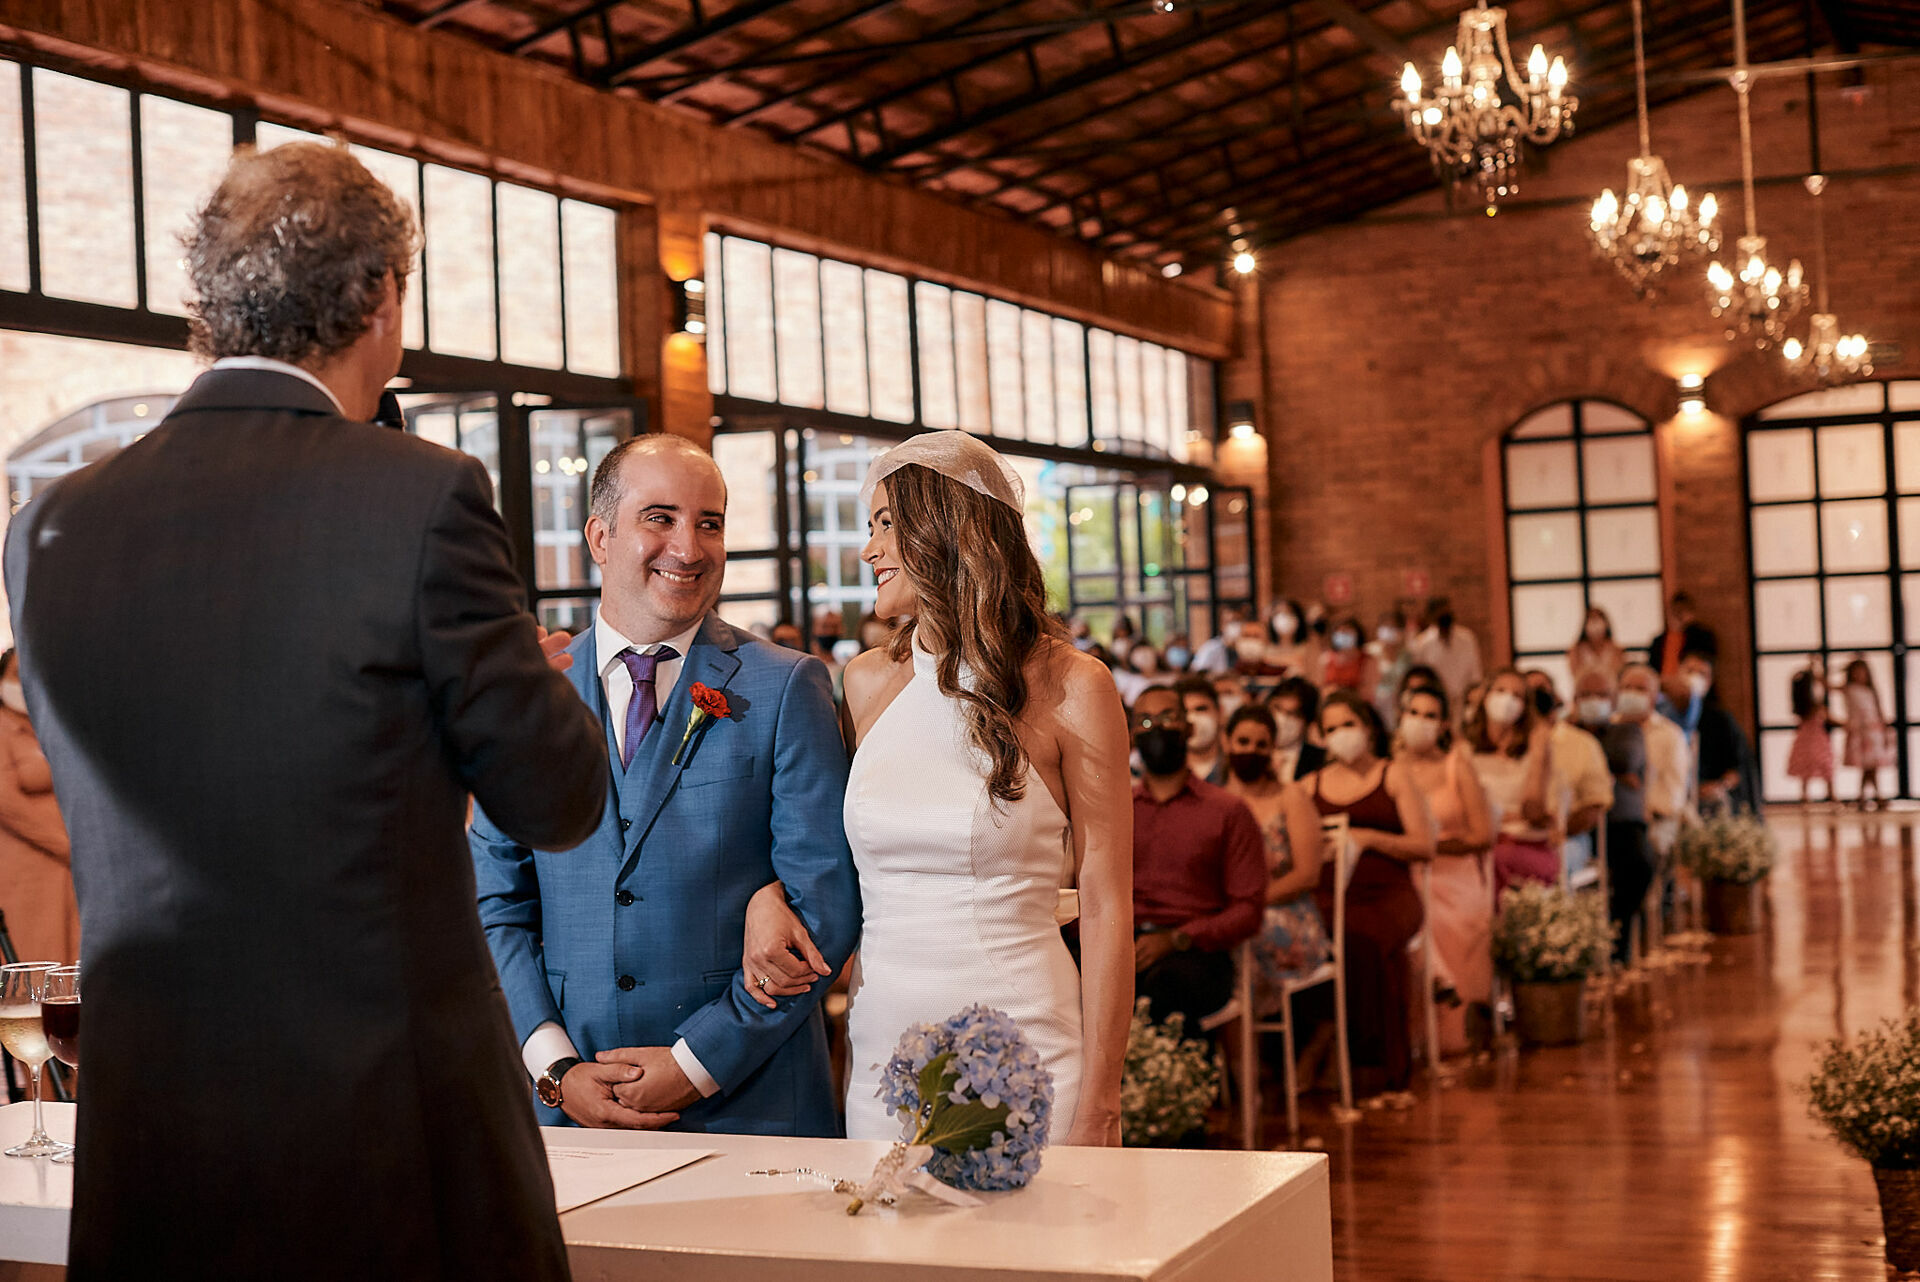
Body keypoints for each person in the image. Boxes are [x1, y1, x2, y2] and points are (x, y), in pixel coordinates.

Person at [6, 142, 609, 1280]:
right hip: (387, 1139)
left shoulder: (48, 532)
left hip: (149, 1143)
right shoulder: (420, 496)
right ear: (380, 298)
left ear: (207, 309)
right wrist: (532, 675)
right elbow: (558, 797)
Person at [472, 434, 861, 1138]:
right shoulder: (529, 688)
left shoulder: (785, 686)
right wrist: (558, 1070)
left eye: (708, 523)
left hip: (748, 1106)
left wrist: (694, 1064)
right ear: (600, 535)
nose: (689, 547)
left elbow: (823, 905)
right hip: (570, 1115)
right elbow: (494, 901)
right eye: (660, 517)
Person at [756, 431, 1133, 1147]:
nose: (869, 551)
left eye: (886, 525)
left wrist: (1102, 1098)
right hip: (881, 1045)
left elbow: (1110, 902)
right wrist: (765, 896)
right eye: (869, 529)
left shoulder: (1072, 687)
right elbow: (824, 858)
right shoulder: (864, 682)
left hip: (1024, 1043)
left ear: (950, 528)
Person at [1304, 691, 1433, 1096]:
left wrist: (1370, 838)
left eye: (1348, 725)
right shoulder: (1309, 785)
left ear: (1367, 727)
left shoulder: (1392, 775)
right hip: (1330, 892)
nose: (1340, 735)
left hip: (1388, 892)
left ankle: (1355, 1055)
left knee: (1364, 938)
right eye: (1331, 729)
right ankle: (1320, 1041)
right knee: (1315, 933)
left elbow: (1423, 845)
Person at [1128, 685, 1267, 1034]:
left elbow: (1248, 910)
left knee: (1164, 991)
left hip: (1196, 950)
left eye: (1168, 718)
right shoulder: (1115, 810)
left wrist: (1178, 938)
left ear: (1188, 729)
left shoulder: (1227, 811)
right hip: (1124, 942)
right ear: (1131, 735)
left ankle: (1179, 1086)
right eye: (1145, 721)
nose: (1156, 728)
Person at [1392, 683, 1494, 1054]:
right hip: (1407, 875)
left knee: (1430, 912)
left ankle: (1449, 1009)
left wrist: (1430, 847)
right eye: (1413, 713)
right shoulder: (1390, 769)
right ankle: (1431, 992)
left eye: (1430, 715)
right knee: (1407, 906)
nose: (1419, 722)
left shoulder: (1456, 767)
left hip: (1455, 876)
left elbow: (1482, 835)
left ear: (1444, 724)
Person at [1218, 706, 1330, 1016]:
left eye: (1261, 744)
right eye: (1243, 742)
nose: (1250, 751)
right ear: (1227, 742)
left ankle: (1248, 1055)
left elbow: (1307, 874)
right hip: (1231, 913)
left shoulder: (1290, 797)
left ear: (1272, 750)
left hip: (1284, 913)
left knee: (1237, 938)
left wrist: (1247, 906)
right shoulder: (1215, 800)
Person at [0, 649, 77, 967]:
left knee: (68, 974)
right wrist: (67, 846)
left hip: (66, 872)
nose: (24, 685)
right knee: (32, 971)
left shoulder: (53, 727)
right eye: (17, 676)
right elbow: (8, 805)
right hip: (27, 872)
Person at [1573, 669, 1649, 961]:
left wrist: (1589, 760)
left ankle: (1617, 939)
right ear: (1575, 700)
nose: (1594, 702)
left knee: (1638, 866)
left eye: (1602, 695)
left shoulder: (1627, 731)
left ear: (1614, 700)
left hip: (1621, 822)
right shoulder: (1565, 736)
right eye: (1586, 696)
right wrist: (1616, 775)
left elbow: (1626, 757)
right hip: (1579, 823)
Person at [1466, 669, 1559, 896]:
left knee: (1495, 861)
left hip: (1524, 844)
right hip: (1477, 844)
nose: (1507, 699)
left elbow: (1535, 813)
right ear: (1486, 696)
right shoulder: (1465, 751)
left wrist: (1538, 756)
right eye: (1501, 691)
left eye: (1517, 696)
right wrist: (1505, 816)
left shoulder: (1535, 749)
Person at [1524, 669, 1614, 882]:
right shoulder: (1508, 747)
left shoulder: (1583, 744)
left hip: (1567, 839)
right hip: (1514, 838)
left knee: (1550, 864)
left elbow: (1595, 805)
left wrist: (1559, 831)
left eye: (1541, 693)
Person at [1667, 653, 1759, 815]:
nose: (1694, 678)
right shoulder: (1664, 715)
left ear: (1709, 682)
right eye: (1689, 671)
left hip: (1709, 793)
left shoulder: (1721, 719)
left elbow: (1737, 767)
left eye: (1702, 674)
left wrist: (1719, 785)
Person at [1408, 595, 1484, 710]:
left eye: (1447, 611)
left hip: (1463, 701)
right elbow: (1421, 677)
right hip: (1437, 702)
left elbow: (1475, 673)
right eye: (1440, 613)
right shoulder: (1422, 644)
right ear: (1432, 616)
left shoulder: (1467, 638)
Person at [1840, 656, 1895, 809]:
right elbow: (1827, 685)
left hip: (1873, 732)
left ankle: (1866, 796)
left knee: (1872, 767)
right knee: (1868, 767)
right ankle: (1870, 796)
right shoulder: (1849, 689)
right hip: (1861, 733)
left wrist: (1885, 731)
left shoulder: (1870, 691)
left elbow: (1879, 711)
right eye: (1856, 672)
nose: (1860, 676)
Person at [1787, 657, 1836, 805]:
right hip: (1815, 737)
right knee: (1821, 764)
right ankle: (1828, 795)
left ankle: (1808, 796)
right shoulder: (1813, 706)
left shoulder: (1807, 706)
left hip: (1810, 737)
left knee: (1812, 765)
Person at [1268, 676, 1327, 783]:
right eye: (1277, 708)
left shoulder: (1320, 760)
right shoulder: (1255, 751)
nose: (1282, 719)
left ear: (1308, 722)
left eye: (1293, 714)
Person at [1649, 591, 1717, 682]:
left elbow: (1705, 664)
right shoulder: (1659, 641)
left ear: (1691, 613)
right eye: (1675, 612)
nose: (1679, 616)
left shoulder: (1702, 637)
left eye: (1682, 611)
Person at [1177, 674, 1228, 785]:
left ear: (1220, 712)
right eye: (1185, 712)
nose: (1193, 718)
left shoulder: (1236, 770)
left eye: (1201, 709)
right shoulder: (1165, 776)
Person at [1318, 614, 1377, 694]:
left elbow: (1369, 690)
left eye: (1347, 631)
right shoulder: (1326, 658)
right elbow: (1320, 686)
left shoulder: (1368, 660)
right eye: (1340, 632)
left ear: (1357, 634)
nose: (1343, 635)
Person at [1263, 598, 1321, 678]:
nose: (1283, 617)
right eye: (1278, 613)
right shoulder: (1266, 652)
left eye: (1288, 612)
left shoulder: (1308, 650)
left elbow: (1317, 680)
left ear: (1298, 618)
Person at [1567, 606, 1627, 683]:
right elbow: (1576, 675)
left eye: (1598, 620)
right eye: (1591, 620)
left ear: (1606, 624)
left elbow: (1618, 674)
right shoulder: (1576, 651)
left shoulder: (1616, 650)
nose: (1595, 624)